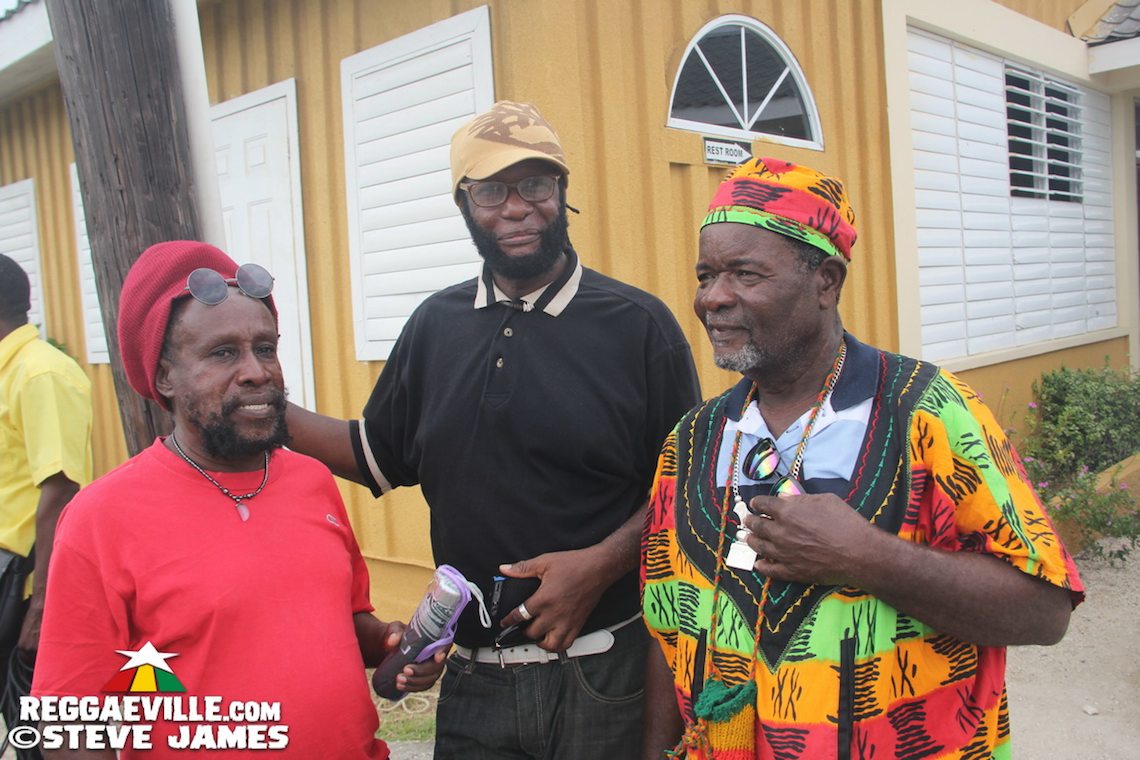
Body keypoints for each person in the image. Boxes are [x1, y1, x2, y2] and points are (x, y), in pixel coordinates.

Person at [286, 100, 701, 758]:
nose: (517, 207)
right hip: (473, 686)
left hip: (603, 677)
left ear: (562, 194)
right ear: (463, 203)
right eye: (492, 190)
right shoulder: (433, 327)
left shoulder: (640, 329)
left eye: (537, 184)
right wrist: (263, 405)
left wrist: (598, 567)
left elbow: (694, 499)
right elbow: (376, 456)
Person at [640, 158, 1083, 759]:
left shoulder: (929, 413)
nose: (713, 299)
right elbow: (667, 631)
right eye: (706, 274)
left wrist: (865, 556)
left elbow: (1044, 610)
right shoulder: (691, 441)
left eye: (745, 273)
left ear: (825, 280)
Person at [31, 241, 442, 759]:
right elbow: (67, 720)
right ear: (163, 377)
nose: (256, 371)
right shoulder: (100, 517)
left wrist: (390, 642)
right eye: (223, 353)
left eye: (265, 348)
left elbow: (339, 621)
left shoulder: (311, 480)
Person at [0, 253, 93, 692]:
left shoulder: (40, 373)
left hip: (22, 583)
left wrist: (42, 608)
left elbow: (61, 490)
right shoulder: (9, 370)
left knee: (33, 723)